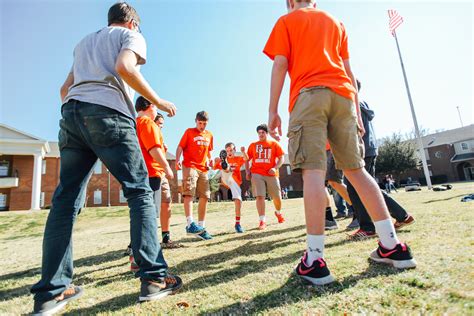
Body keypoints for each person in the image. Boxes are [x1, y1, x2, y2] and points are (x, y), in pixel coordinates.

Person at [30, 3, 182, 314]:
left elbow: (65, 89)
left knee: (64, 200)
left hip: (72, 115)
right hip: (109, 114)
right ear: (132, 23)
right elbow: (126, 67)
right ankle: (153, 278)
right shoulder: (130, 36)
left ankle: (51, 292)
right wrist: (159, 101)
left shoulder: (85, 42)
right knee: (140, 192)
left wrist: (81, 113)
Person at [264, 0, 416, 285]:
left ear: (290, 3)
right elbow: (348, 70)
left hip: (309, 95)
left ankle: (314, 259)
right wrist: (357, 114)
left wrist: (272, 110)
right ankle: (393, 246)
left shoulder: (287, 21)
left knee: (313, 172)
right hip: (344, 97)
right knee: (357, 171)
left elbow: (280, 63)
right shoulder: (336, 21)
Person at [346, 80, 415, 240]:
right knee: (364, 187)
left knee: (358, 188)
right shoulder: (360, 103)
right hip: (367, 149)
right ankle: (401, 216)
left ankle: (369, 227)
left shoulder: (353, 103)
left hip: (361, 150)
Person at [176, 111, 214, 240]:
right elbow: (180, 147)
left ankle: (201, 228)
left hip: (203, 168)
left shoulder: (209, 135)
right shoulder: (189, 132)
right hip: (190, 165)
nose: (202, 126)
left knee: (205, 196)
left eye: (204, 124)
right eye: (200, 123)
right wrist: (176, 160)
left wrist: (210, 160)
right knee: (189, 193)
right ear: (196, 121)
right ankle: (190, 224)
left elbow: (209, 153)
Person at [246, 124, 286, 230]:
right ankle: (262, 220)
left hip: (271, 173)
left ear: (267, 133)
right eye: (259, 133)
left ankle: (278, 213)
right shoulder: (253, 145)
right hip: (256, 173)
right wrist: (247, 171)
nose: (261, 134)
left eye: (263, 132)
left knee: (277, 197)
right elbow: (247, 159)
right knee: (260, 196)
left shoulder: (274, 144)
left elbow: (281, 158)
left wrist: (275, 167)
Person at [153, 113, 182, 248]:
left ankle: (165, 238)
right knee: (146, 208)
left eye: (162, 126)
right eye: (159, 125)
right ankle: (134, 243)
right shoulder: (146, 131)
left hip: (161, 174)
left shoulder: (159, 137)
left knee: (166, 202)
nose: (161, 128)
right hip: (149, 173)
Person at [214, 143, 248, 233]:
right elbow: (213, 167)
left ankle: (237, 224)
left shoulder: (238, 159)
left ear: (234, 150)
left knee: (238, 201)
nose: (229, 152)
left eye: (231, 150)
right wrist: (215, 161)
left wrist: (244, 152)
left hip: (234, 182)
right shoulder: (223, 159)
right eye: (227, 151)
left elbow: (246, 158)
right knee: (225, 169)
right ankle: (225, 165)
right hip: (225, 179)